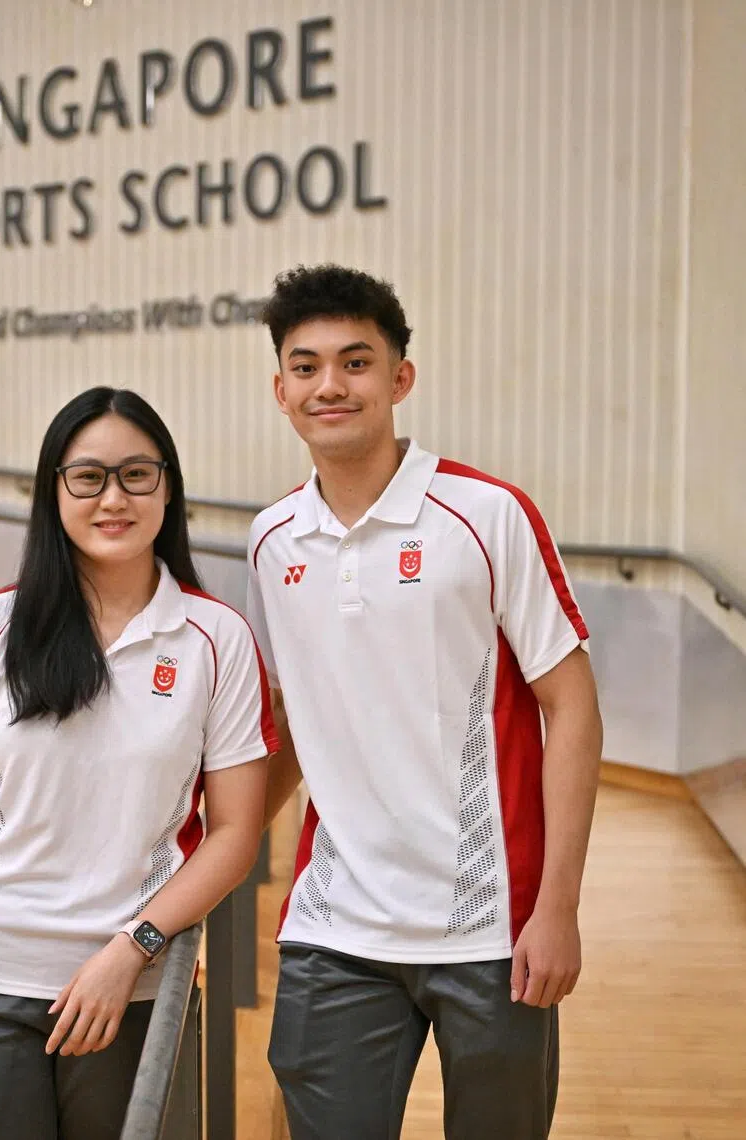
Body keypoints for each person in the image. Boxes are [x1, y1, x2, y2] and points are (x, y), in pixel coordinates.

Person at [247, 264, 604, 1139]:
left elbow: (574, 708)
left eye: (356, 362)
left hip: (491, 929)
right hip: (336, 928)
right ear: (281, 390)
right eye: (306, 366)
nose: (330, 384)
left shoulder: (485, 516)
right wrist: (216, 846)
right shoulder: (270, 541)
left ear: (400, 379)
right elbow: (299, 720)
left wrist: (557, 907)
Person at [0, 386, 274, 1139]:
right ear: (53, 490)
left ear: (168, 487)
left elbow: (233, 837)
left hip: (131, 994)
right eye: (87, 476)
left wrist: (134, 948)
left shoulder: (215, 640)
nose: (113, 497)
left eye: (137, 474)